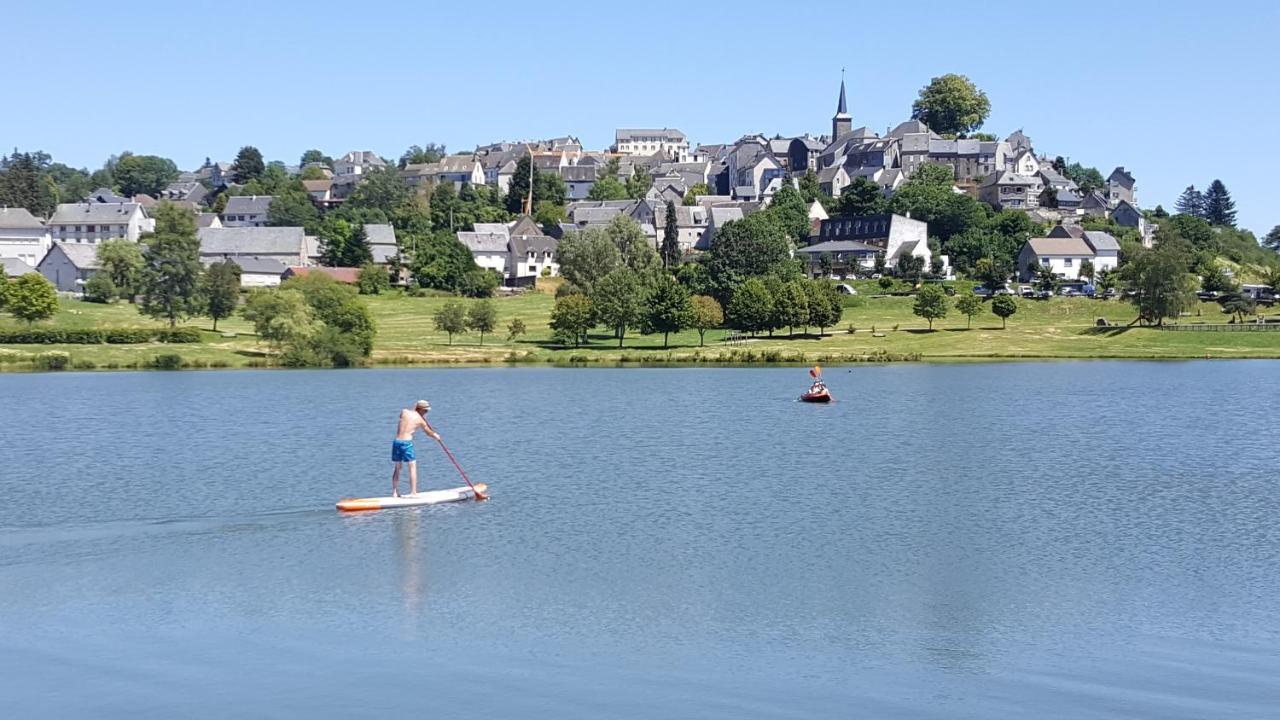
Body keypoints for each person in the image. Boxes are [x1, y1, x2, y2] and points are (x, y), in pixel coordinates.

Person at [391, 400, 441, 497]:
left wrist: (416, 411)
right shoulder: (421, 420)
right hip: (406, 443)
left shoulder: (404, 411)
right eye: (426, 411)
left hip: (396, 442)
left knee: (397, 468)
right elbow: (428, 432)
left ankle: (394, 492)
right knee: (412, 467)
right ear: (422, 410)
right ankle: (413, 493)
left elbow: (404, 417)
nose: (426, 413)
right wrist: (436, 436)